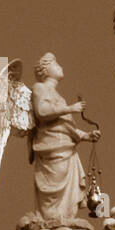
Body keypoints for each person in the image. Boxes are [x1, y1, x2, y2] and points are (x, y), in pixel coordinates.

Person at [31, 53, 100, 220]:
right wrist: (70, 108)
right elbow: (42, 111)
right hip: (51, 147)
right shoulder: (39, 88)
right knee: (55, 183)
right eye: (56, 63)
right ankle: (54, 222)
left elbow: (66, 126)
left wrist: (86, 135)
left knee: (68, 190)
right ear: (46, 69)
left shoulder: (59, 97)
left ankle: (66, 221)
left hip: (66, 147)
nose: (60, 66)